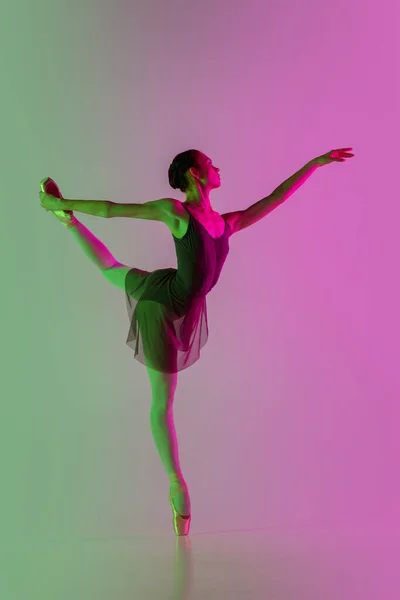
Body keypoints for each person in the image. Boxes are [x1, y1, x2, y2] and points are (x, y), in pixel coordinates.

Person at [39, 147, 354, 535]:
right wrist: (59, 198)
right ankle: (177, 484)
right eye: (210, 163)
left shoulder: (227, 222)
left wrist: (312, 165)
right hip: (160, 304)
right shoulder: (175, 212)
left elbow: (276, 198)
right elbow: (110, 208)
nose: (217, 166)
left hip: (178, 297)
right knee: (161, 400)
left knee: (113, 271)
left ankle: (64, 220)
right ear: (194, 174)